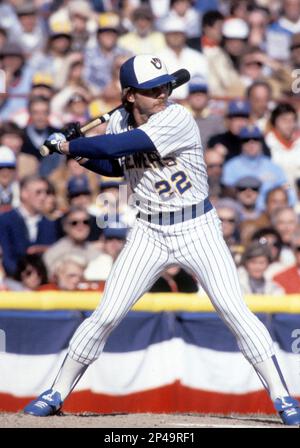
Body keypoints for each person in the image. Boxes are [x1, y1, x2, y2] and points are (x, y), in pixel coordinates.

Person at [24, 54, 300, 425]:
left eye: (165, 85)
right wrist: (79, 156)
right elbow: (112, 165)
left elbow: (115, 148)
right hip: (149, 230)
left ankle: (284, 399)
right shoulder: (121, 119)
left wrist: (69, 146)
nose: (163, 93)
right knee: (106, 314)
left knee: (235, 313)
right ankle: (55, 392)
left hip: (197, 226)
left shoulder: (177, 117)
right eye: (153, 89)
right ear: (130, 95)